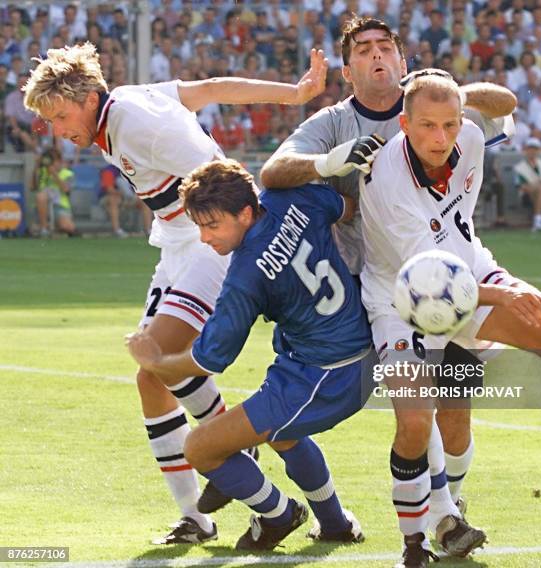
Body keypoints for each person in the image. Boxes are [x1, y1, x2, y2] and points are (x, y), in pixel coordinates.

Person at [23, 41, 327, 545]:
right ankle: (197, 516)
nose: (56, 130)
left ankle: (266, 499)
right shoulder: (124, 103)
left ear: (87, 97)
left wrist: (254, 243)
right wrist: (292, 94)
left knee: (157, 359)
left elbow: (224, 179)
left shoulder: (135, 122)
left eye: (59, 115)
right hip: (177, 242)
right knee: (152, 380)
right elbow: (208, 90)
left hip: (209, 241)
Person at [261, 16, 489, 555]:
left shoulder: (435, 109)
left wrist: (471, 96)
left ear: (404, 63)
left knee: (455, 412)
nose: (377, 55)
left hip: (450, 277)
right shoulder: (333, 122)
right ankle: (441, 519)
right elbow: (272, 171)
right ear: (347, 70)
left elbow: (497, 116)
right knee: (417, 404)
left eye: (386, 47)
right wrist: (324, 162)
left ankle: (450, 505)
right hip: (376, 284)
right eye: (363, 50)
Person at [359, 69, 541, 566]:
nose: (441, 138)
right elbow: (430, 286)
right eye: (427, 125)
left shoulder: (467, 133)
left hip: (472, 273)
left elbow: (506, 100)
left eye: (449, 124)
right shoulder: (388, 182)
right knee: (416, 417)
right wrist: (503, 299)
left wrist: (454, 97)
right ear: (403, 124)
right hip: (405, 301)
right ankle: (419, 541)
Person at [126, 158, 372, 550]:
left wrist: (156, 362)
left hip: (326, 374)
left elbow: (209, 359)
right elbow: (348, 207)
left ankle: (278, 514)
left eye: (212, 225)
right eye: (199, 227)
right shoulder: (292, 198)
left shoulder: (245, 274)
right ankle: (336, 524)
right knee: (283, 435)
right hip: (346, 350)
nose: (205, 239)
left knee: (199, 447)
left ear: (245, 212)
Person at [32, 147, 78, 237]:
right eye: (51, 160)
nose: (52, 163)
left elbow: (66, 190)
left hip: (60, 206)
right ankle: (44, 229)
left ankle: (51, 228)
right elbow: (32, 187)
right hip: (43, 207)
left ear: (60, 161)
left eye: (54, 160)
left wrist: (54, 174)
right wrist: (36, 166)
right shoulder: (42, 172)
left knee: (69, 228)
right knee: (41, 196)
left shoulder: (67, 173)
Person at [99, 164, 152, 237]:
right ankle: (117, 230)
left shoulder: (131, 170)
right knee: (114, 199)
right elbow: (109, 189)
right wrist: (122, 193)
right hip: (110, 198)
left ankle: (148, 230)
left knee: (145, 201)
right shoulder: (109, 170)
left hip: (129, 198)